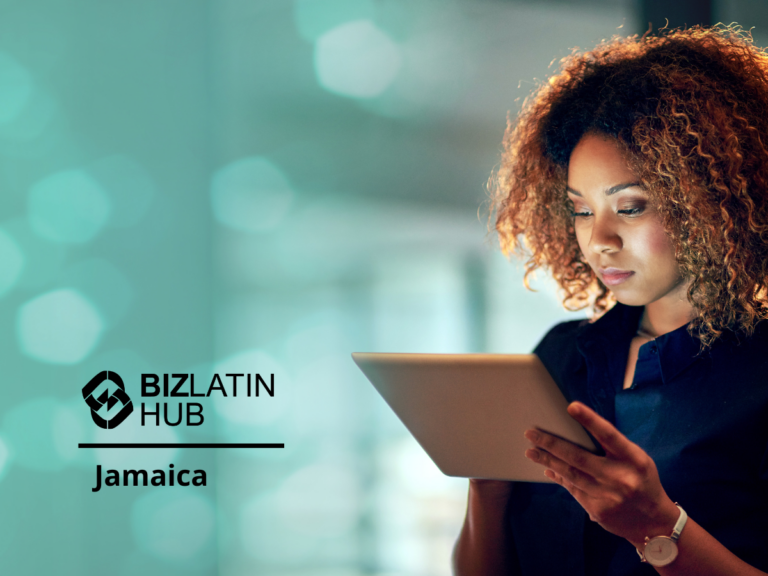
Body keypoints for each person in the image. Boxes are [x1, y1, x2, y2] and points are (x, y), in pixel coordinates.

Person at [453, 25, 768, 575]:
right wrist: (486, 488)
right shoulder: (559, 357)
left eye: (630, 207)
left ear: (714, 204)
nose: (599, 239)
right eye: (580, 209)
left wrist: (655, 523)